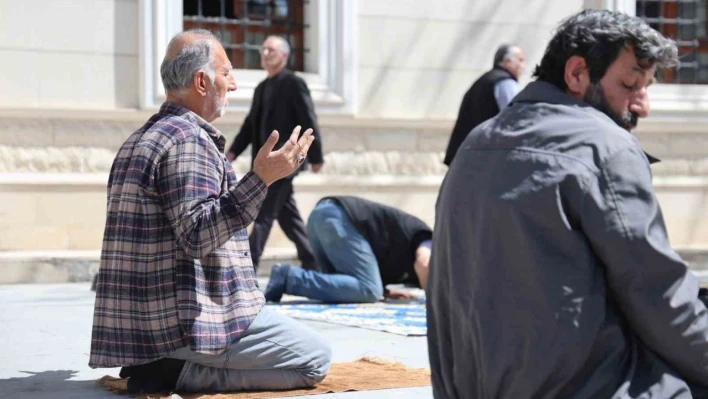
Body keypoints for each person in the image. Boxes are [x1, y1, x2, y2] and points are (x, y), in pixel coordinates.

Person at [427, 9, 708, 399]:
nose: (642, 106)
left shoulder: (476, 142)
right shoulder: (605, 145)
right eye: (630, 85)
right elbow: (658, 296)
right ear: (577, 74)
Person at [90, 29, 331, 394]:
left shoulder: (140, 138)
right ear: (202, 82)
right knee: (315, 359)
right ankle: (177, 372)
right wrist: (262, 178)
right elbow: (199, 235)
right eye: (227, 72)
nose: (233, 84)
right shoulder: (188, 141)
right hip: (188, 326)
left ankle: (165, 362)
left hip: (145, 329)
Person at [226, 35, 324, 272]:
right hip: (265, 164)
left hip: (285, 161)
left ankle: (246, 270)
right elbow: (250, 125)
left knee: (263, 214)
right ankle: (314, 263)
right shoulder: (261, 88)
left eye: (271, 50)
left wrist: (316, 156)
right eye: (263, 49)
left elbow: (309, 119)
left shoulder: (294, 83)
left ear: (284, 55)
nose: (265, 53)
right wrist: (232, 152)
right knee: (289, 219)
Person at [264, 196, 432, 303]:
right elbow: (424, 263)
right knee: (370, 290)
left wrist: (385, 290)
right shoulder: (429, 240)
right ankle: (288, 278)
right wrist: (434, 302)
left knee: (336, 288)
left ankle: (288, 279)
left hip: (322, 217)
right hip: (339, 220)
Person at [443, 44, 525, 166]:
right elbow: (517, 119)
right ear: (507, 60)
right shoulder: (505, 83)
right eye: (520, 60)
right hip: (485, 157)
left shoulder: (484, 81)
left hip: (467, 156)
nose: (523, 66)